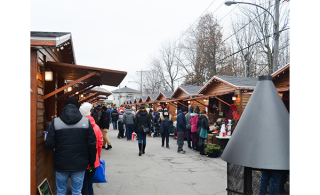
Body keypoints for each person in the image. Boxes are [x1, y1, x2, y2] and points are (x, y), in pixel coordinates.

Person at [45, 97, 97, 195]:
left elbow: (49, 144)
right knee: (77, 191)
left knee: (61, 191)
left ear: (64, 107)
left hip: (61, 163)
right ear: (77, 107)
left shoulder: (56, 122)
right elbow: (92, 144)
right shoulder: (85, 122)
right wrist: (91, 162)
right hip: (80, 163)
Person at [79, 102, 103, 195]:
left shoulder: (80, 126)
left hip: (83, 160)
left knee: (84, 184)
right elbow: (100, 143)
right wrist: (98, 154)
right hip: (94, 160)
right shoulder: (96, 127)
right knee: (89, 184)